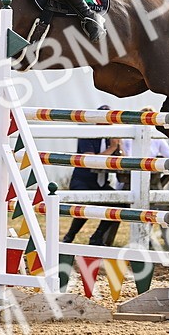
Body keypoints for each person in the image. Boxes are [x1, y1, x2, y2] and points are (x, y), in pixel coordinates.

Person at [61, 105, 121, 247]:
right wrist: (112, 148)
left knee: (119, 204)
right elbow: (91, 161)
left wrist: (119, 145)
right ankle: (70, 236)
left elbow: (120, 159)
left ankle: (97, 237)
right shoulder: (87, 134)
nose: (109, 124)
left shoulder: (110, 138)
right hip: (83, 180)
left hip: (101, 182)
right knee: (86, 204)